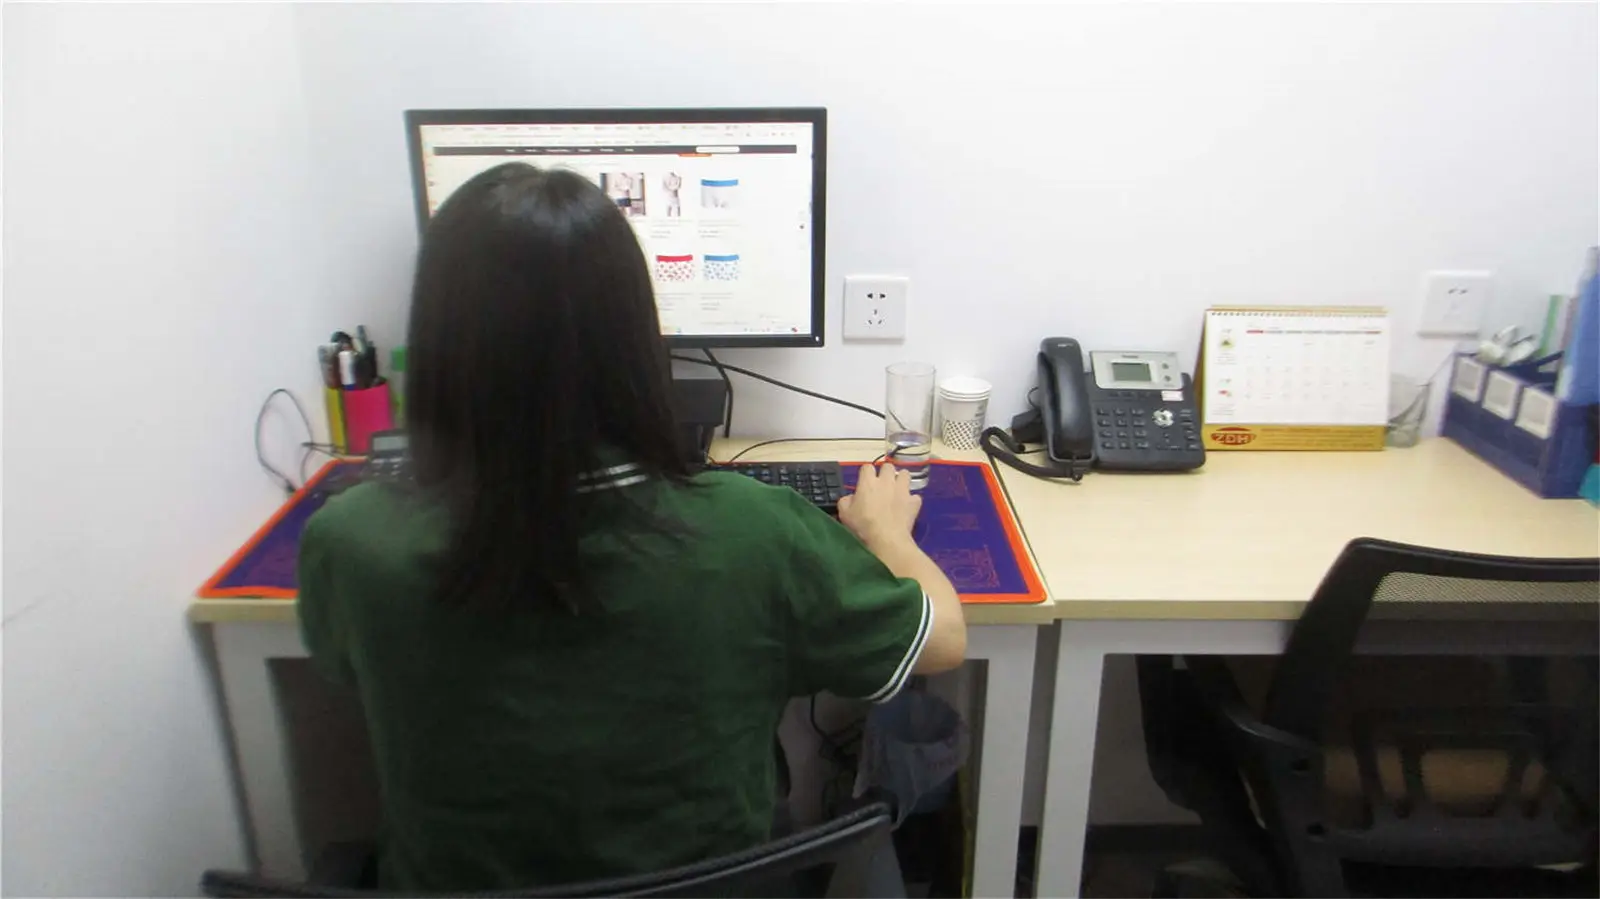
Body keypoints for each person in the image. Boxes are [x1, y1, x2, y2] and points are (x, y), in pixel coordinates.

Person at [297, 162, 967, 892]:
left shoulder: (350, 541)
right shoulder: (753, 532)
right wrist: (888, 533)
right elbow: (943, 641)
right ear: (636, 337)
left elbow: (350, 668)